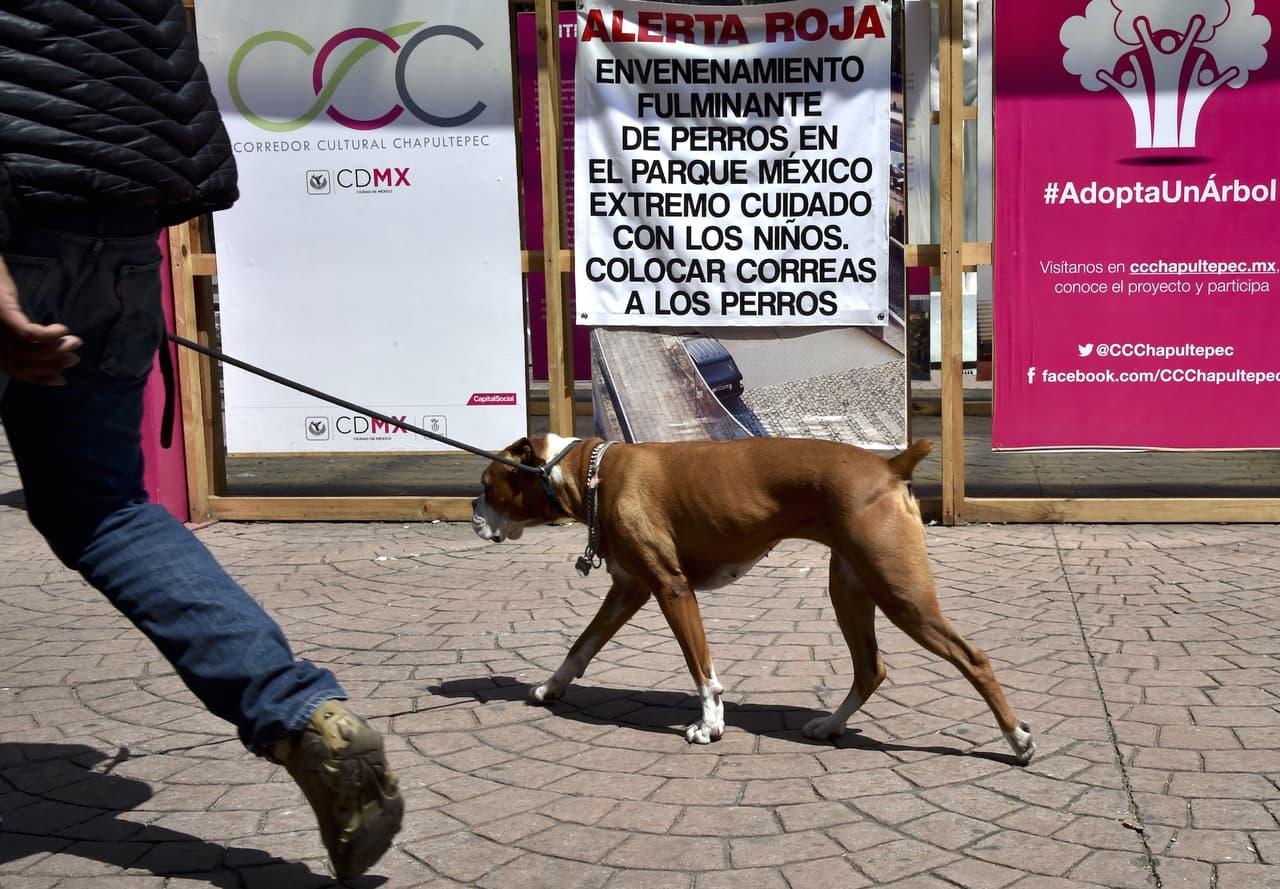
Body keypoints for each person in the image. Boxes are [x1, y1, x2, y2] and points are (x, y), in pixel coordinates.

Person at [0, 2, 403, 879]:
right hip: (119, 231)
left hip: (18, 227)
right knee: (107, 507)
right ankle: (299, 714)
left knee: (96, 505)